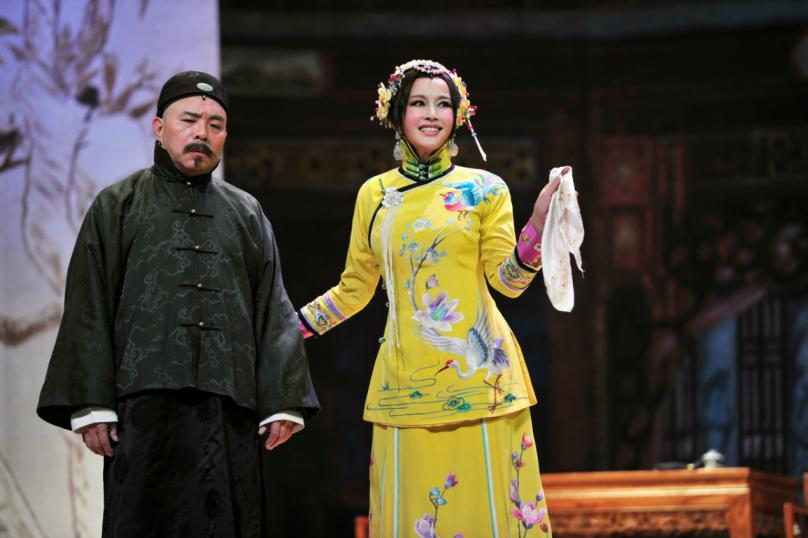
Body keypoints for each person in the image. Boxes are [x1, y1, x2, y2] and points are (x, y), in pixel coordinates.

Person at [36, 71, 319, 537]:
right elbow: (90, 303)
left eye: (215, 124)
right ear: (159, 128)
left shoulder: (246, 212)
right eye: (189, 120)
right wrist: (91, 404)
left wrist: (284, 400)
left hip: (228, 412)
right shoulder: (118, 205)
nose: (202, 133)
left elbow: (272, 306)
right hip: (142, 412)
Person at [297, 59, 561, 537]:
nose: (432, 113)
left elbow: (508, 281)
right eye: (419, 103)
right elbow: (354, 289)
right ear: (396, 114)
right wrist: (290, 326)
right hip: (404, 384)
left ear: (458, 116)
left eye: (443, 104)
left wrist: (538, 224)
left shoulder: (485, 189)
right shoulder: (374, 195)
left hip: (483, 381)